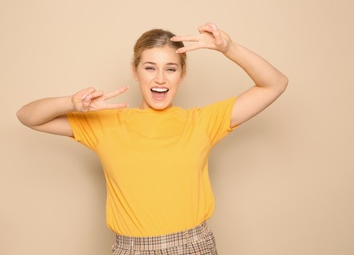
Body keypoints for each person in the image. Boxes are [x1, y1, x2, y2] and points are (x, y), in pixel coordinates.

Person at [17, 23, 288, 254]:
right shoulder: (105, 122)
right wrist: (71, 102)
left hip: (193, 246)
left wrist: (228, 48)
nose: (160, 78)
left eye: (171, 68)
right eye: (150, 68)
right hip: (130, 249)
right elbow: (27, 116)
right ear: (135, 72)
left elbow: (274, 83)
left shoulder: (202, 121)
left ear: (182, 75)